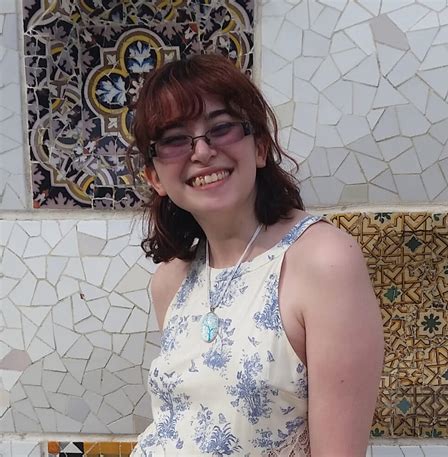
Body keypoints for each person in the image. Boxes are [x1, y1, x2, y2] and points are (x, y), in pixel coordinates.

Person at [128, 53, 384, 456]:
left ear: (260, 147)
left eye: (221, 128)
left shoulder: (322, 261)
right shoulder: (172, 280)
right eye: (175, 139)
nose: (202, 151)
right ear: (155, 177)